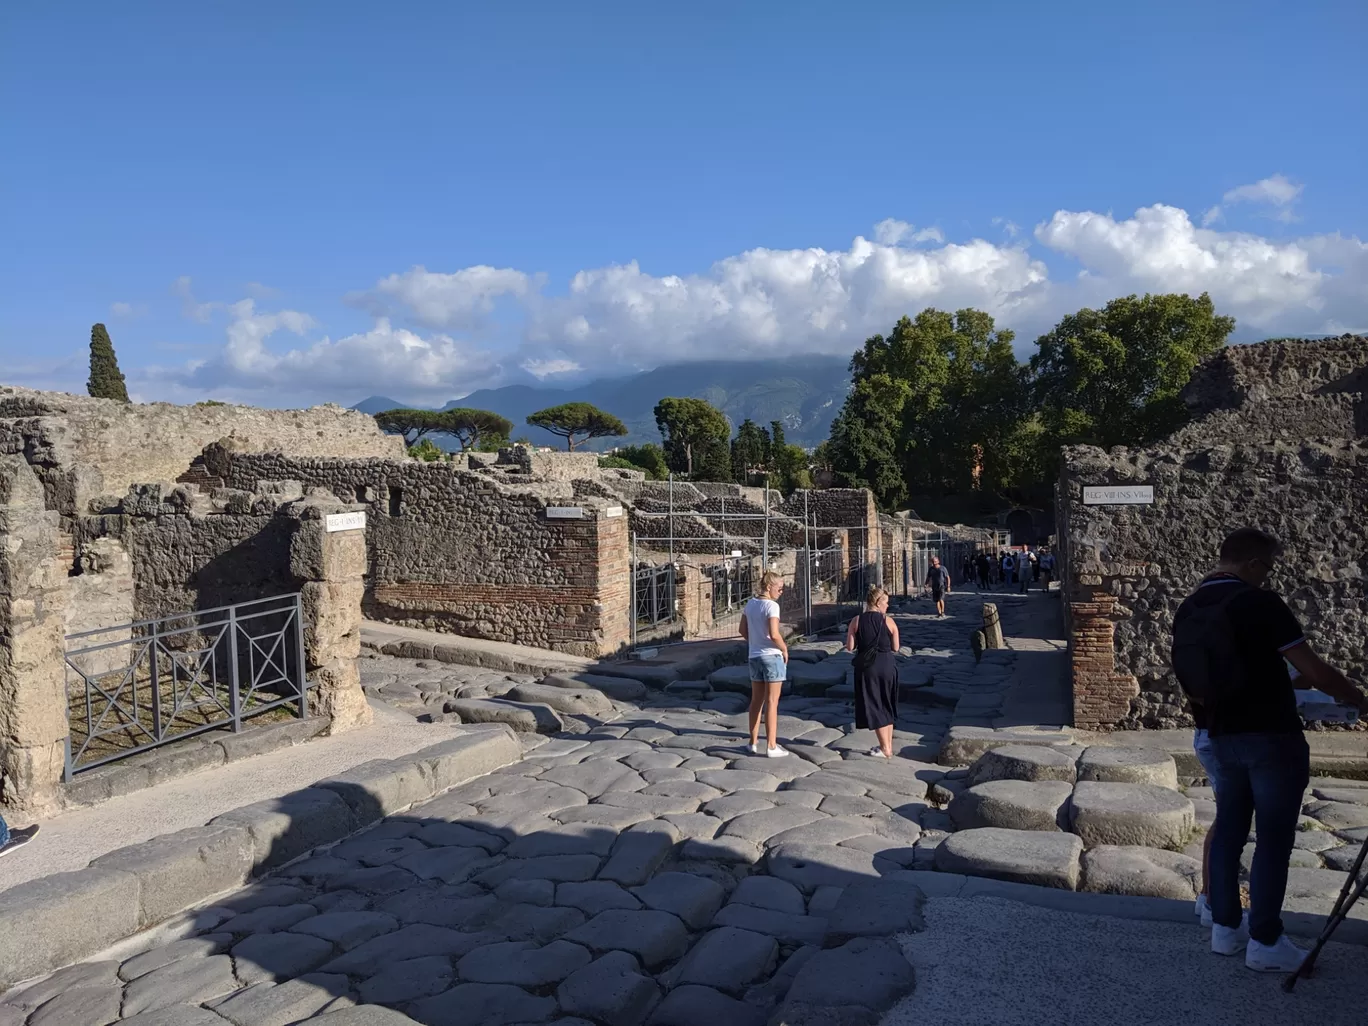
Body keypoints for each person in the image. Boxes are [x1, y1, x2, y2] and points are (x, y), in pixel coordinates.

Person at [1172, 527, 1368, 973]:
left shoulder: (1191, 606)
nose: (1268, 577)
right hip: (1271, 736)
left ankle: (1225, 930)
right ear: (1254, 564)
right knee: (1274, 841)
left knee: (1228, 831)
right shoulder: (1260, 603)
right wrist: (1358, 698)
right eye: (1268, 569)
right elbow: (1313, 670)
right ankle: (1265, 941)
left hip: (1220, 734)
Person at [845, 584, 901, 758]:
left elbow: (849, 646)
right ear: (877, 603)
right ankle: (888, 746)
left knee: (874, 704)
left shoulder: (857, 620)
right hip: (887, 664)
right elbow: (896, 647)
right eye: (885, 602)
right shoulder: (888, 621)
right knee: (887, 703)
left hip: (868, 667)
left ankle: (885, 748)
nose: (887, 606)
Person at [739, 570, 790, 758]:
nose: (781, 591)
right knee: (772, 702)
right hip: (771, 656)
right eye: (780, 588)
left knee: (756, 701)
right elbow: (774, 633)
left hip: (754, 655)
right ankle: (771, 745)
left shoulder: (750, 604)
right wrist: (784, 649)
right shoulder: (772, 606)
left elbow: (742, 629)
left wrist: (755, 642)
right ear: (769, 587)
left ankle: (752, 742)